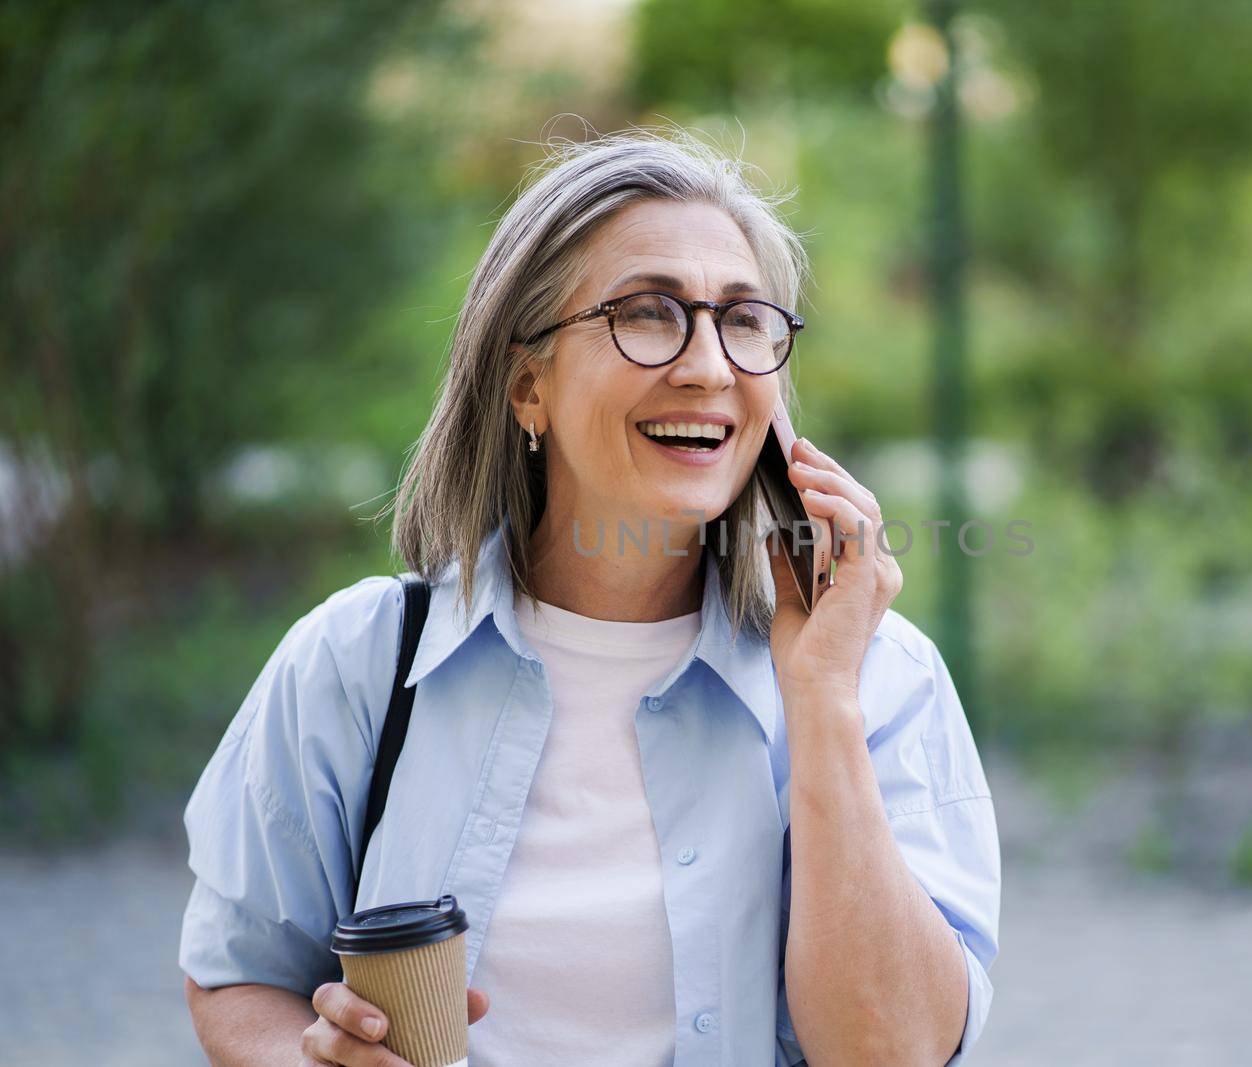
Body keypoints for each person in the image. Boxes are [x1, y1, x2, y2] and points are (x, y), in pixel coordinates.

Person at [179, 127, 1000, 1066]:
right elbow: (236, 975)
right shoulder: (357, 661)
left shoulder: (880, 678)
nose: (708, 365)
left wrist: (822, 703)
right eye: (648, 313)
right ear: (529, 383)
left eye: (743, 319)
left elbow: (893, 1052)